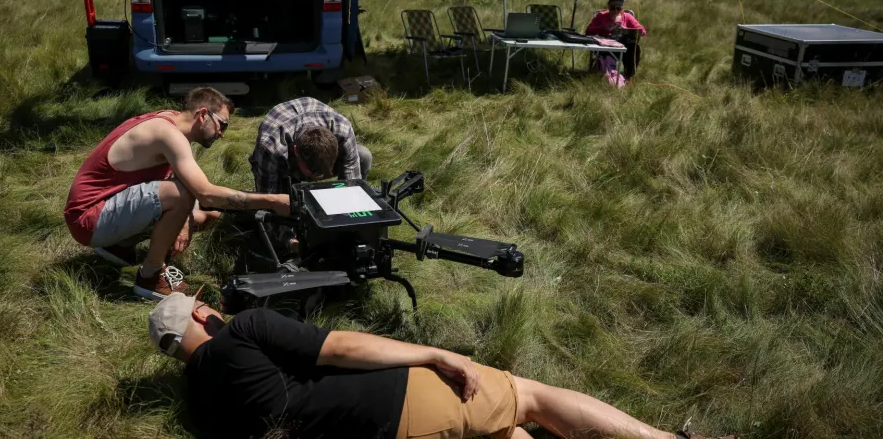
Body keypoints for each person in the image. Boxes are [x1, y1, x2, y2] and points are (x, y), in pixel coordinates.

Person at [148, 292, 740, 439]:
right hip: (396, 400)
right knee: (525, 397)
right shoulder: (244, 328)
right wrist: (436, 352)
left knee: (504, 432)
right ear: (201, 315)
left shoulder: (199, 414)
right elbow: (346, 347)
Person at [64, 87, 290, 301]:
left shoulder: (171, 121)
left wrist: (186, 221)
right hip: (88, 219)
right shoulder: (169, 135)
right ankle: (150, 277)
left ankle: (119, 245)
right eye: (222, 125)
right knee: (182, 196)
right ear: (202, 114)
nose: (221, 134)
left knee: (206, 217)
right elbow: (206, 194)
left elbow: (184, 186)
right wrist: (273, 200)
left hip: (105, 209)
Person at [249, 97, 371, 195]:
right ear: (296, 151)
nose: (318, 179)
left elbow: (351, 184)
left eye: (321, 174)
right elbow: (269, 200)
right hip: (281, 163)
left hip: (302, 151)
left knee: (363, 155)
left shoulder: (343, 130)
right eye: (314, 173)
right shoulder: (271, 148)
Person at [585, 0, 647, 79]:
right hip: (605, 47)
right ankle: (605, 73)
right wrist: (603, 28)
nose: (615, 11)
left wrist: (625, 29)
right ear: (608, 6)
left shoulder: (627, 17)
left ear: (623, 7)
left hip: (623, 47)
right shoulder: (601, 16)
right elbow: (588, 30)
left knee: (635, 48)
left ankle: (629, 76)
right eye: (612, 8)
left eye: (619, 8)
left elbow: (642, 31)